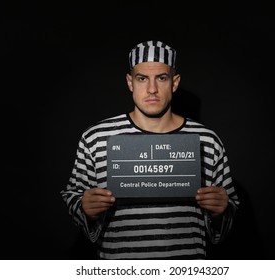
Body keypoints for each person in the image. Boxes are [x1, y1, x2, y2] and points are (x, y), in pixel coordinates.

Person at [60, 40, 240, 259]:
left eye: (161, 78)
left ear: (174, 83)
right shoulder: (96, 138)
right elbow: (72, 197)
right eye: (142, 78)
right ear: (130, 82)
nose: (152, 89)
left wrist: (221, 211)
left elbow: (229, 212)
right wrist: (83, 207)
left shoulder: (207, 140)